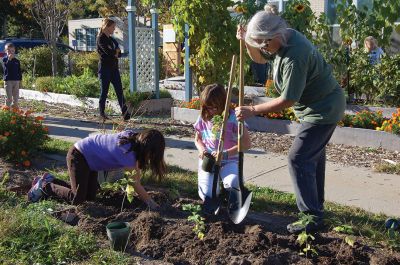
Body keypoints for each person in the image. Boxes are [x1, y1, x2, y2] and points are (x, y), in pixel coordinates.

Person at [236, 11, 345, 234]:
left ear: (273, 36)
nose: (263, 49)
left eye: (263, 44)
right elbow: (258, 57)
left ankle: (311, 218)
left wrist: (253, 110)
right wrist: (247, 42)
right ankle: (316, 209)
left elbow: (288, 99)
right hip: (315, 108)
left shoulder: (295, 55)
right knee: (312, 158)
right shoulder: (283, 39)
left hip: (323, 109)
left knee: (298, 158)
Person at [28, 129, 166, 210]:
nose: (151, 158)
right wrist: (151, 203)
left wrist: (139, 194)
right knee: (77, 200)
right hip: (79, 155)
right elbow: (134, 183)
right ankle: (46, 187)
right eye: (152, 154)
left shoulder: (134, 140)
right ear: (148, 149)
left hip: (91, 160)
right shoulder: (127, 152)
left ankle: (51, 179)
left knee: (90, 197)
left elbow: (135, 175)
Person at [194, 84, 251, 206]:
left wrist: (225, 154)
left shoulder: (234, 118)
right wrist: (202, 149)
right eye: (208, 107)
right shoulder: (203, 117)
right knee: (207, 194)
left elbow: (246, 144)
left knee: (233, 182)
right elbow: (197, 139)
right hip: (209, 161)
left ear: (224, 104)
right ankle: (215, 194)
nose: (211, 111)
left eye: (215, 107)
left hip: (229, 160)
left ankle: (230, 192)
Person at [97, 18, 130, 121]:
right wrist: (114, 52)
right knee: (104, 92)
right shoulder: (100, 38)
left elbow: (118, 53)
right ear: (106, 27)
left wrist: (115, 52)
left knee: (119, 91)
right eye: (113, 27)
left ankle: (125, 114)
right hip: (105, 69)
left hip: (114, 69)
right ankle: (102, 114)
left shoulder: (112, 39)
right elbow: (108, 53)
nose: (114, 29)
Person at [2, 43, 22, 108]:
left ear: (14, 51)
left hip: (16, 81)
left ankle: (15, 112)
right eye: (9, 51)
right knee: (9, 98)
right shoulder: (5, 59)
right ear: (5, 51)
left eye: (12, 51)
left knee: (16, 98)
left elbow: (19, 71)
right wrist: (9, 59)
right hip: (8, 81)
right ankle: (7, 111)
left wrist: (20, 81)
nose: (11, 52)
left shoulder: (17, 61)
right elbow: (7, 67)